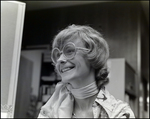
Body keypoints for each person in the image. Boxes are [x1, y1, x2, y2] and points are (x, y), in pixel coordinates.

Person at [38, 24, 135, 118]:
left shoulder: (119, 113)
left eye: (70, 50)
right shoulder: (51, 110)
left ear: (94, 55)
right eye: (58, 54)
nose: (60, 59)